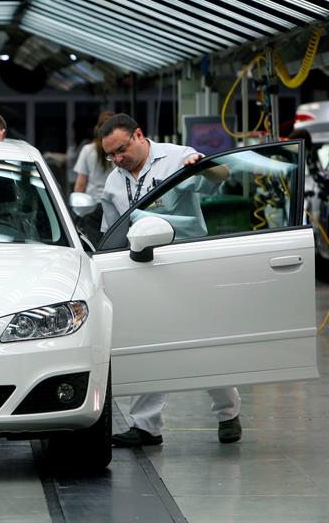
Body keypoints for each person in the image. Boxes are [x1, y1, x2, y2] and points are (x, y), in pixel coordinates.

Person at [98, 113, 241, 448]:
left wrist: (203, 167)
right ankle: (146, 426)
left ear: (138, 135)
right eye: (110, 155)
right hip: (142, 267)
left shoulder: (178, 157)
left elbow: (221, 176)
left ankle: (228, 414)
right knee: (148, 342)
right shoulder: (114, 182)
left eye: (121, 149)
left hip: (187, 262)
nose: (117, 159)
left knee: (203, 341)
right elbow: (110, 232)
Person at [72, 111, 115, 243]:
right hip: (115, 206)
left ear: (98, 128)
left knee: (95, 246)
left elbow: (80, 185)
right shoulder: (118, 150)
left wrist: (77, 209)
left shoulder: (87, 150)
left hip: (91, 207)